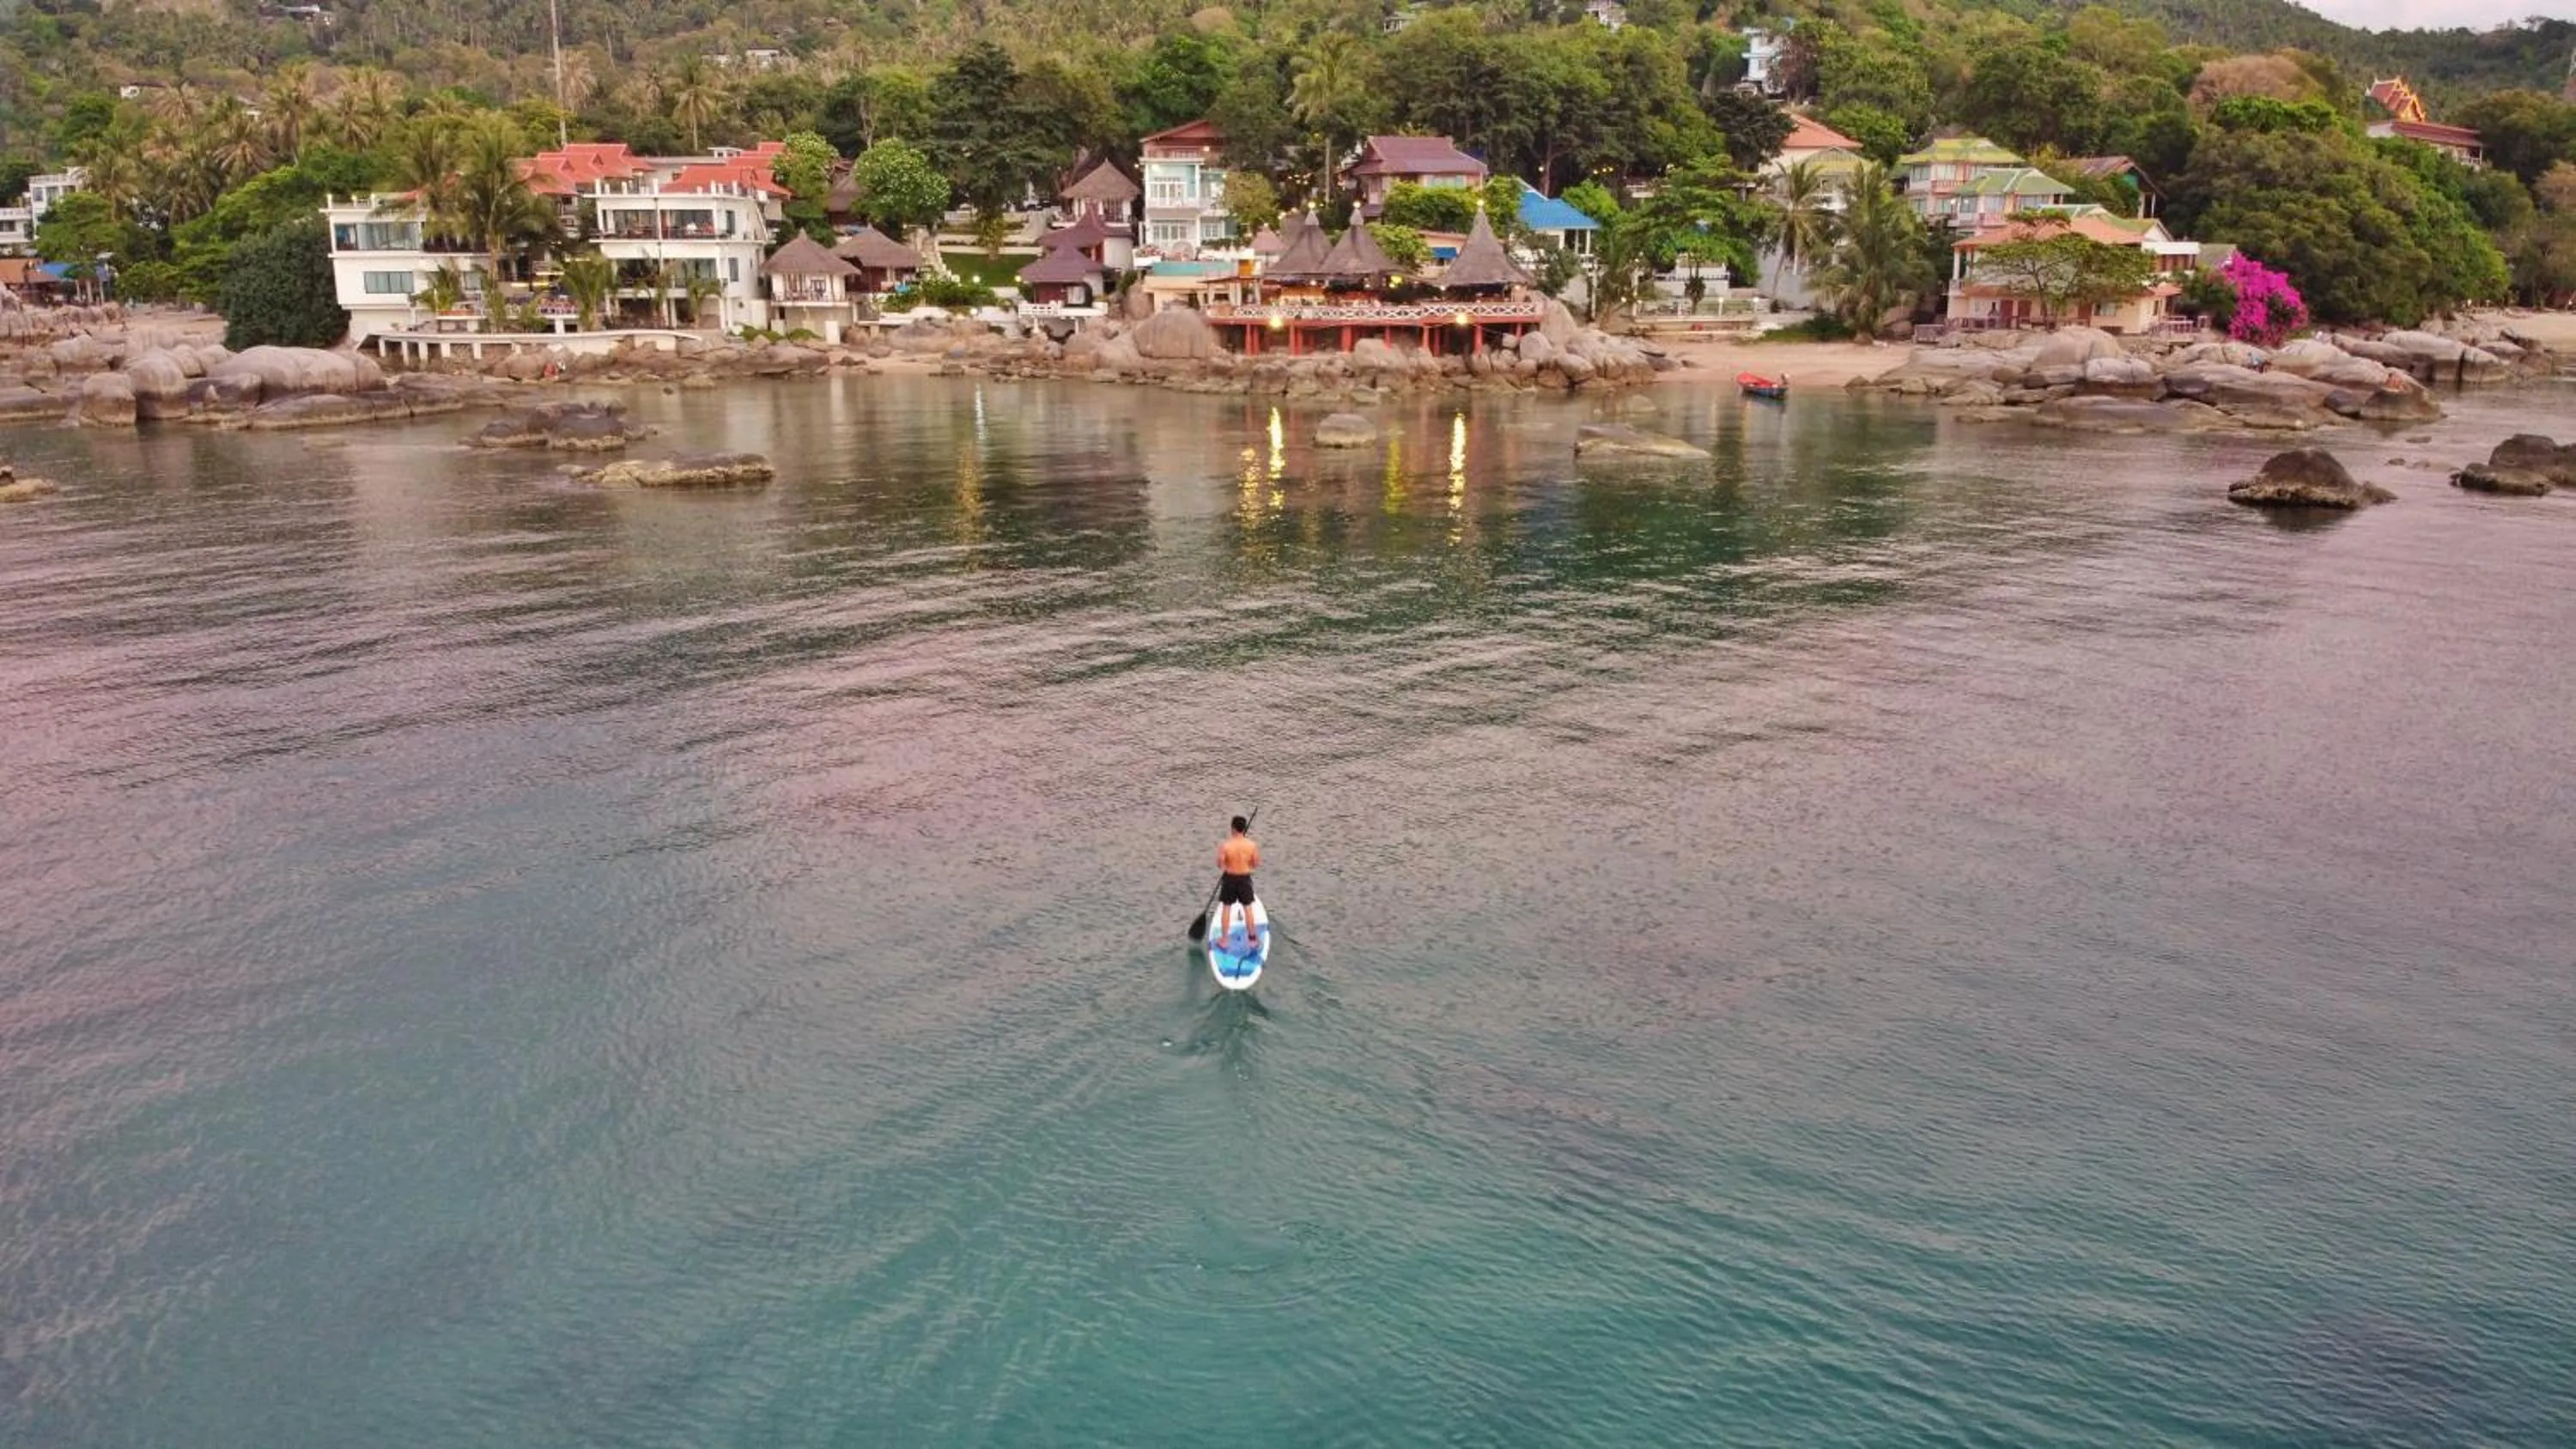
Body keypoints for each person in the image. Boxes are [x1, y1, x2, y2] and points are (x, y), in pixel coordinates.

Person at [1216, 815, 1261, 947]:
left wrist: (1229, 864)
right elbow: (1256, 864)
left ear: (1233, 828)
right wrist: (1245, 863)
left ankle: (1224, 940)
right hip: (1244, 879)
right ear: (1244, 829)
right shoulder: (1252, 845)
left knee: (1226, 908)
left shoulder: (1226, 845)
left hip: (1230, 879)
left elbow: (1220, 864)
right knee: (1248, 908)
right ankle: (1252, 939)